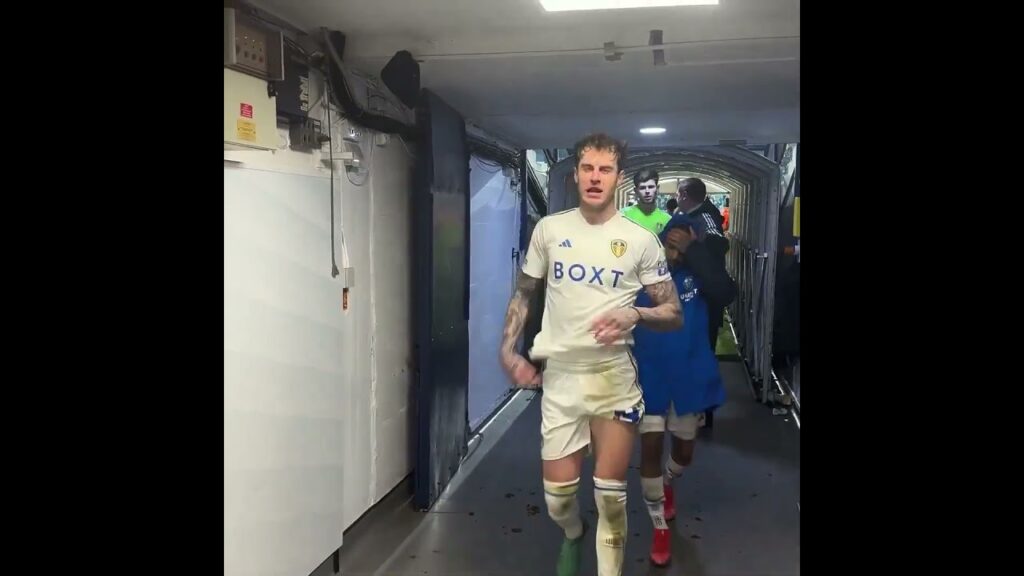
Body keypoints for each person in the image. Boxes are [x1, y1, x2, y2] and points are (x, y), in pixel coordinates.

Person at [500, 133, 682, 576]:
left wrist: (635, 313)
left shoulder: (640, 240)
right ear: (576, 175)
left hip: (612, 376)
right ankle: (573, 533)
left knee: (610, 496)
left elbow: (673, 312)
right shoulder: (550, 230)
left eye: (605, 169)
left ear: (618, 177)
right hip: (562, 377)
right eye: (587, 168)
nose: (595, 177)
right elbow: (525, 292)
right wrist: (509, 349)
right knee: (558, 500)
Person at [632, 213, 736, 566]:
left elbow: (726, 292)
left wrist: (694, 252)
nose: (674, 252)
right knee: (649, 447)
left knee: (684, 453)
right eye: (671, 243)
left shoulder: (700, 276)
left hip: (688, 377)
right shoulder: (645, 273)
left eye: (682, 244)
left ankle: (668, 481)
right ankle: (659, 526)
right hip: (648, 375)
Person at [677, 178, 729, 428]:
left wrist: (693, 247)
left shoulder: (705, 216)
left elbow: (719, 243)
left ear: (685, 195)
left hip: (705, 299)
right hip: (692, 297)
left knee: (702, 352)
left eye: (678, 193)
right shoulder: (690, 216)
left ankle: (703, 411)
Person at [622, 169, 671, 234]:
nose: (647, 191)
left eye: (651, 187)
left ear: (657, 188)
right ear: (636, 191)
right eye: (642, 188)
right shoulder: (624, 215)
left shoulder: (667, 219)